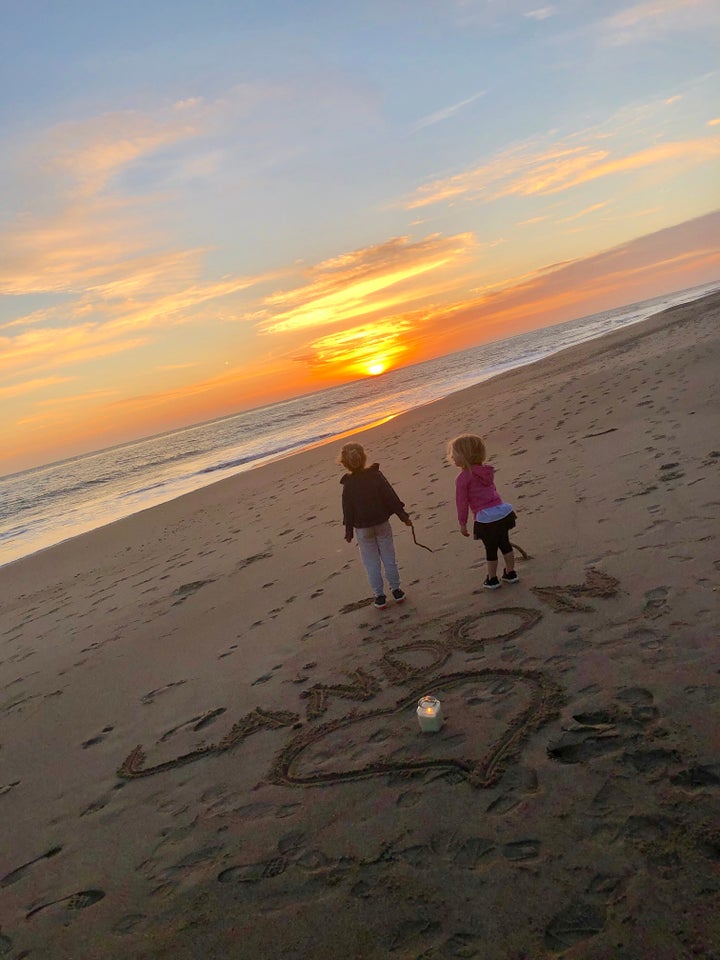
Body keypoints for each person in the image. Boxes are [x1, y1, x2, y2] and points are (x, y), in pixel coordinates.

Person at [339, 442, 413, 609]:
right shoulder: (375, 475)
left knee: (371, 562)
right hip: (381, 523)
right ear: (364, 457)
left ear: (344, 462)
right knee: (389, 557)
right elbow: (391, 497)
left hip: (363, 529)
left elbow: (347, 510)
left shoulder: (348, 485)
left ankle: (379, 596)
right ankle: (396, 590)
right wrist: (403, 516)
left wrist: (348, 531)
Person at [448, 433, 518, 590]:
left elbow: (462, 502)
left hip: (486, 518)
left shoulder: (463, 478)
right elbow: (493, 490)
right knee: (505, 544)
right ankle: (511, 572)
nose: (452, 457)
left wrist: (462, 523)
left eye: (455, 454)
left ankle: (492, 579)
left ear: (466, 455)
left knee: (491, 549)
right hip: (502, 512)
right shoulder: (486, 470)